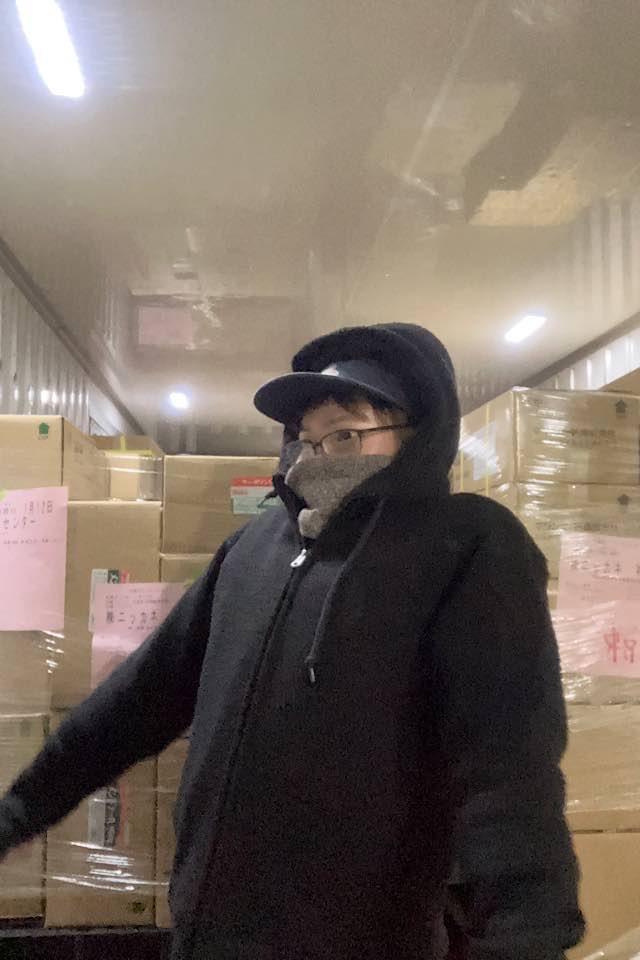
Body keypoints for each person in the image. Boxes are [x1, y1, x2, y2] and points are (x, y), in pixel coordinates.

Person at [0, 323, 584, 960]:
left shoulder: (466, 544)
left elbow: (507, 769)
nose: (316, 457)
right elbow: (136, 701)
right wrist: (19, 811)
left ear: (417, 434)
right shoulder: (253, 550)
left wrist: (526, 939)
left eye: (345, 434)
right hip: (205, 938)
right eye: (306, 437)